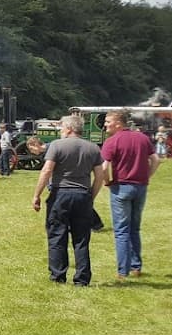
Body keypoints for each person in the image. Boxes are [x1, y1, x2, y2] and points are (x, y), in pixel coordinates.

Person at [31, 114, 106, 286]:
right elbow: (100, 176)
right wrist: (91, 196)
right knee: (81, 238)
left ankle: (58, 275)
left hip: (60, 194)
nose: (60, 131)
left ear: (69, 128)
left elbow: (47, 171)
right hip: (83, 194)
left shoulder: (57, 146)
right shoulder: (93, 147)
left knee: (57, 235)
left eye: (62, 128)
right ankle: (82, 278)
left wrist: (37, 195)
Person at [101, 108, 158, 280]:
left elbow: (104, 166)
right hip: (140, 187)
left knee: (121, 230)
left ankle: (122, 271)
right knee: (135, 228)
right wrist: (147, 176)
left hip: (121, 188)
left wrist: (107, 181)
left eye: (107, 122)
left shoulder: (112, 141)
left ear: (118, 123)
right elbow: (155, 160)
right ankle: (136, 266)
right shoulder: (142, 138)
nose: (105, 126)